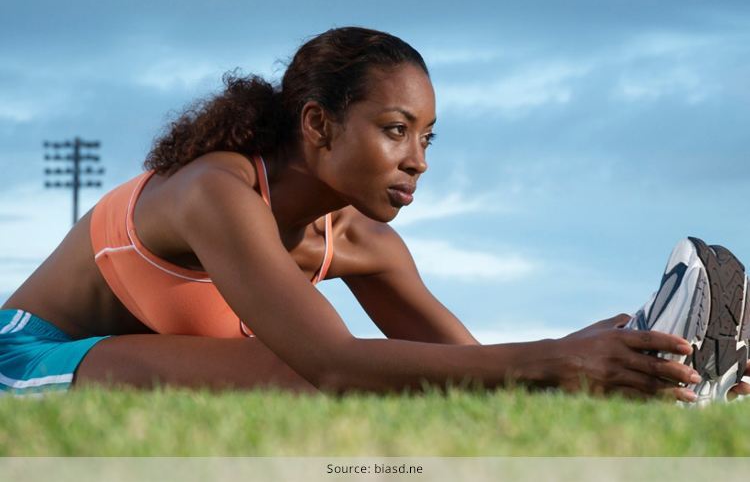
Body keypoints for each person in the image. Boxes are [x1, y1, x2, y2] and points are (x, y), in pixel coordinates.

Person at [0, 27, 746, 403]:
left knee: (438, 380)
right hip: (28, 359)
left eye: (426, 138)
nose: (418, 159)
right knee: (288, 370)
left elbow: (464, 369)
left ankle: (678, 375)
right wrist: (553, 353)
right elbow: (334, 364)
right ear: (319, 125)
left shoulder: (365, 244)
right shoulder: (213, 192)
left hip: (128, 361)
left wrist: (612, 356)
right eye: (395, 130)